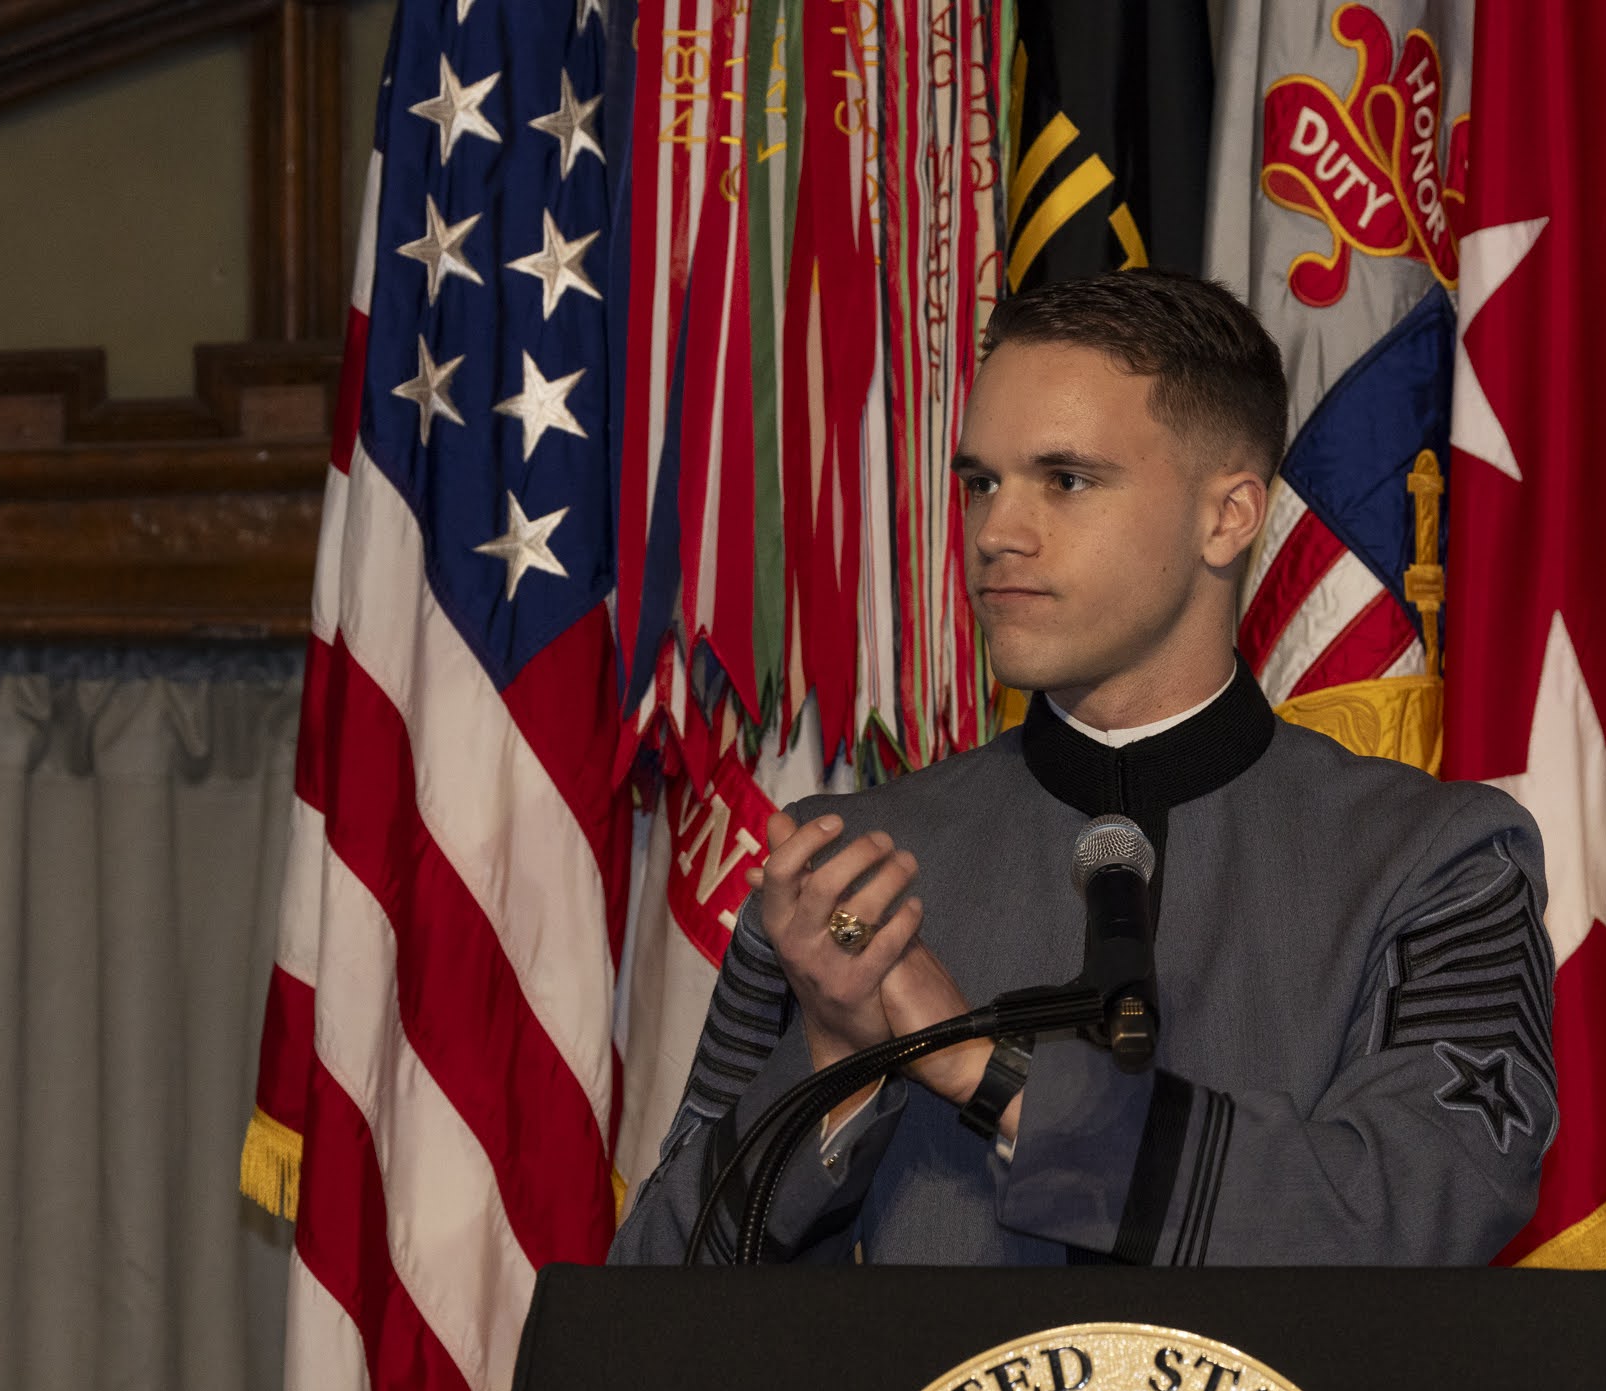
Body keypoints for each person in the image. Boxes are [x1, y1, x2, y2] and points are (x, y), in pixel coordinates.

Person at [611, 269, 1553, 1266]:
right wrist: (836, 1059)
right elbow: (654, 1307)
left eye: (1065, 480)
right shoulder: (843, 878)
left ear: (1227, 517)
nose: (995, 533)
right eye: (981, 482)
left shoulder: (1433, 861)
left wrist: (988, 1070)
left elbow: (1419, 1210)